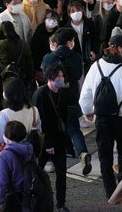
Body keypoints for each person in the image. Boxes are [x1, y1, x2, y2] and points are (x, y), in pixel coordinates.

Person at [79, 34, 122, 198]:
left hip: (103, 118)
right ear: (118, 49)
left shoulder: (95, 66)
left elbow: (85, 94)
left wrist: (87, 111)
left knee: (104, 155)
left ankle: (110, 191)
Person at [33, 64, 78, 211]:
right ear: (50, 77)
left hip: (59, 138)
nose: (61, 79)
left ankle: (61, 203)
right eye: (58, 76)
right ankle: (35, 199)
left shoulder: (62, 94)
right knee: (37, 171)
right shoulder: (41, 94)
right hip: (44, 140)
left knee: (61, 172)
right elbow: (41, 122)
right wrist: (47, 143)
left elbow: (64, 117)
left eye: (62, 76)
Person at [0, 120, 37, 212]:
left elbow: (1, 182)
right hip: (30, 193)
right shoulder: (29, 148)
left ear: (7, 138)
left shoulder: (4, 155)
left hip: (13, 196)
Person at [0, 77, 41, 148]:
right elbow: (39, 131)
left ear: (8, 94)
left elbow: (1, 138)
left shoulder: (5, 114)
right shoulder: (34, 110)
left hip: (12, 153)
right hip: (30, 150)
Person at [0, 20, 34, 88]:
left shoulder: (2, 44)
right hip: (21, 77)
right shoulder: (24, 44)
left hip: (6, 78)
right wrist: (30, 78)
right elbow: (30, 63)